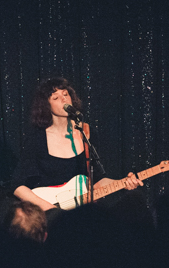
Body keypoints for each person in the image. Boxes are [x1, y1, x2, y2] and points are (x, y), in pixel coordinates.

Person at [12, 77, 142, 211]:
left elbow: (96, 182)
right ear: (46, 105)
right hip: (51, 214)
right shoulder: (37, 139)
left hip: (80, 213)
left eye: (65, 94)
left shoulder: (87, 133)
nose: (63, 99)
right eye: (55, 98)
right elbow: (17, 185)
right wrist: (52, 211)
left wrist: (123, 183)